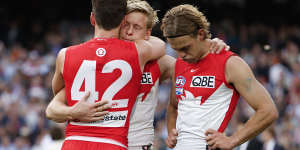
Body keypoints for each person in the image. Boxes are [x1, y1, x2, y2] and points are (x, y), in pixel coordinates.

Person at [47, 1, 228, 150]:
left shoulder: (158, 62)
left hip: (138, 144)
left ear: (147, 33)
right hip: (112, 141)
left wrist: (208, 46)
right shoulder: (104, 60)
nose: (129, 31)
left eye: (137, 27)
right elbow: (55, 105)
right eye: (126, 25)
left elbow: (197, 67)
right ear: (120, 23)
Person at [50, 0, 166, 149]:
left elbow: (56, 101)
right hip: (113, 142)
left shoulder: (65, 55)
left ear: (92, 18)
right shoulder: (139, 52)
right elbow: (161, 46)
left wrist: (72, 111)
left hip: (75, 141)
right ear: (123, 21)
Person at [161, 4, 278, 150]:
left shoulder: (230, 64)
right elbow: (173, 107)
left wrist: (232, 140)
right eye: (176, 50)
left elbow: (268, 110)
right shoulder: (179, 64)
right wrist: (171, 130)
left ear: (201, 34)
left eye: (185, 48)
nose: (181, 55)